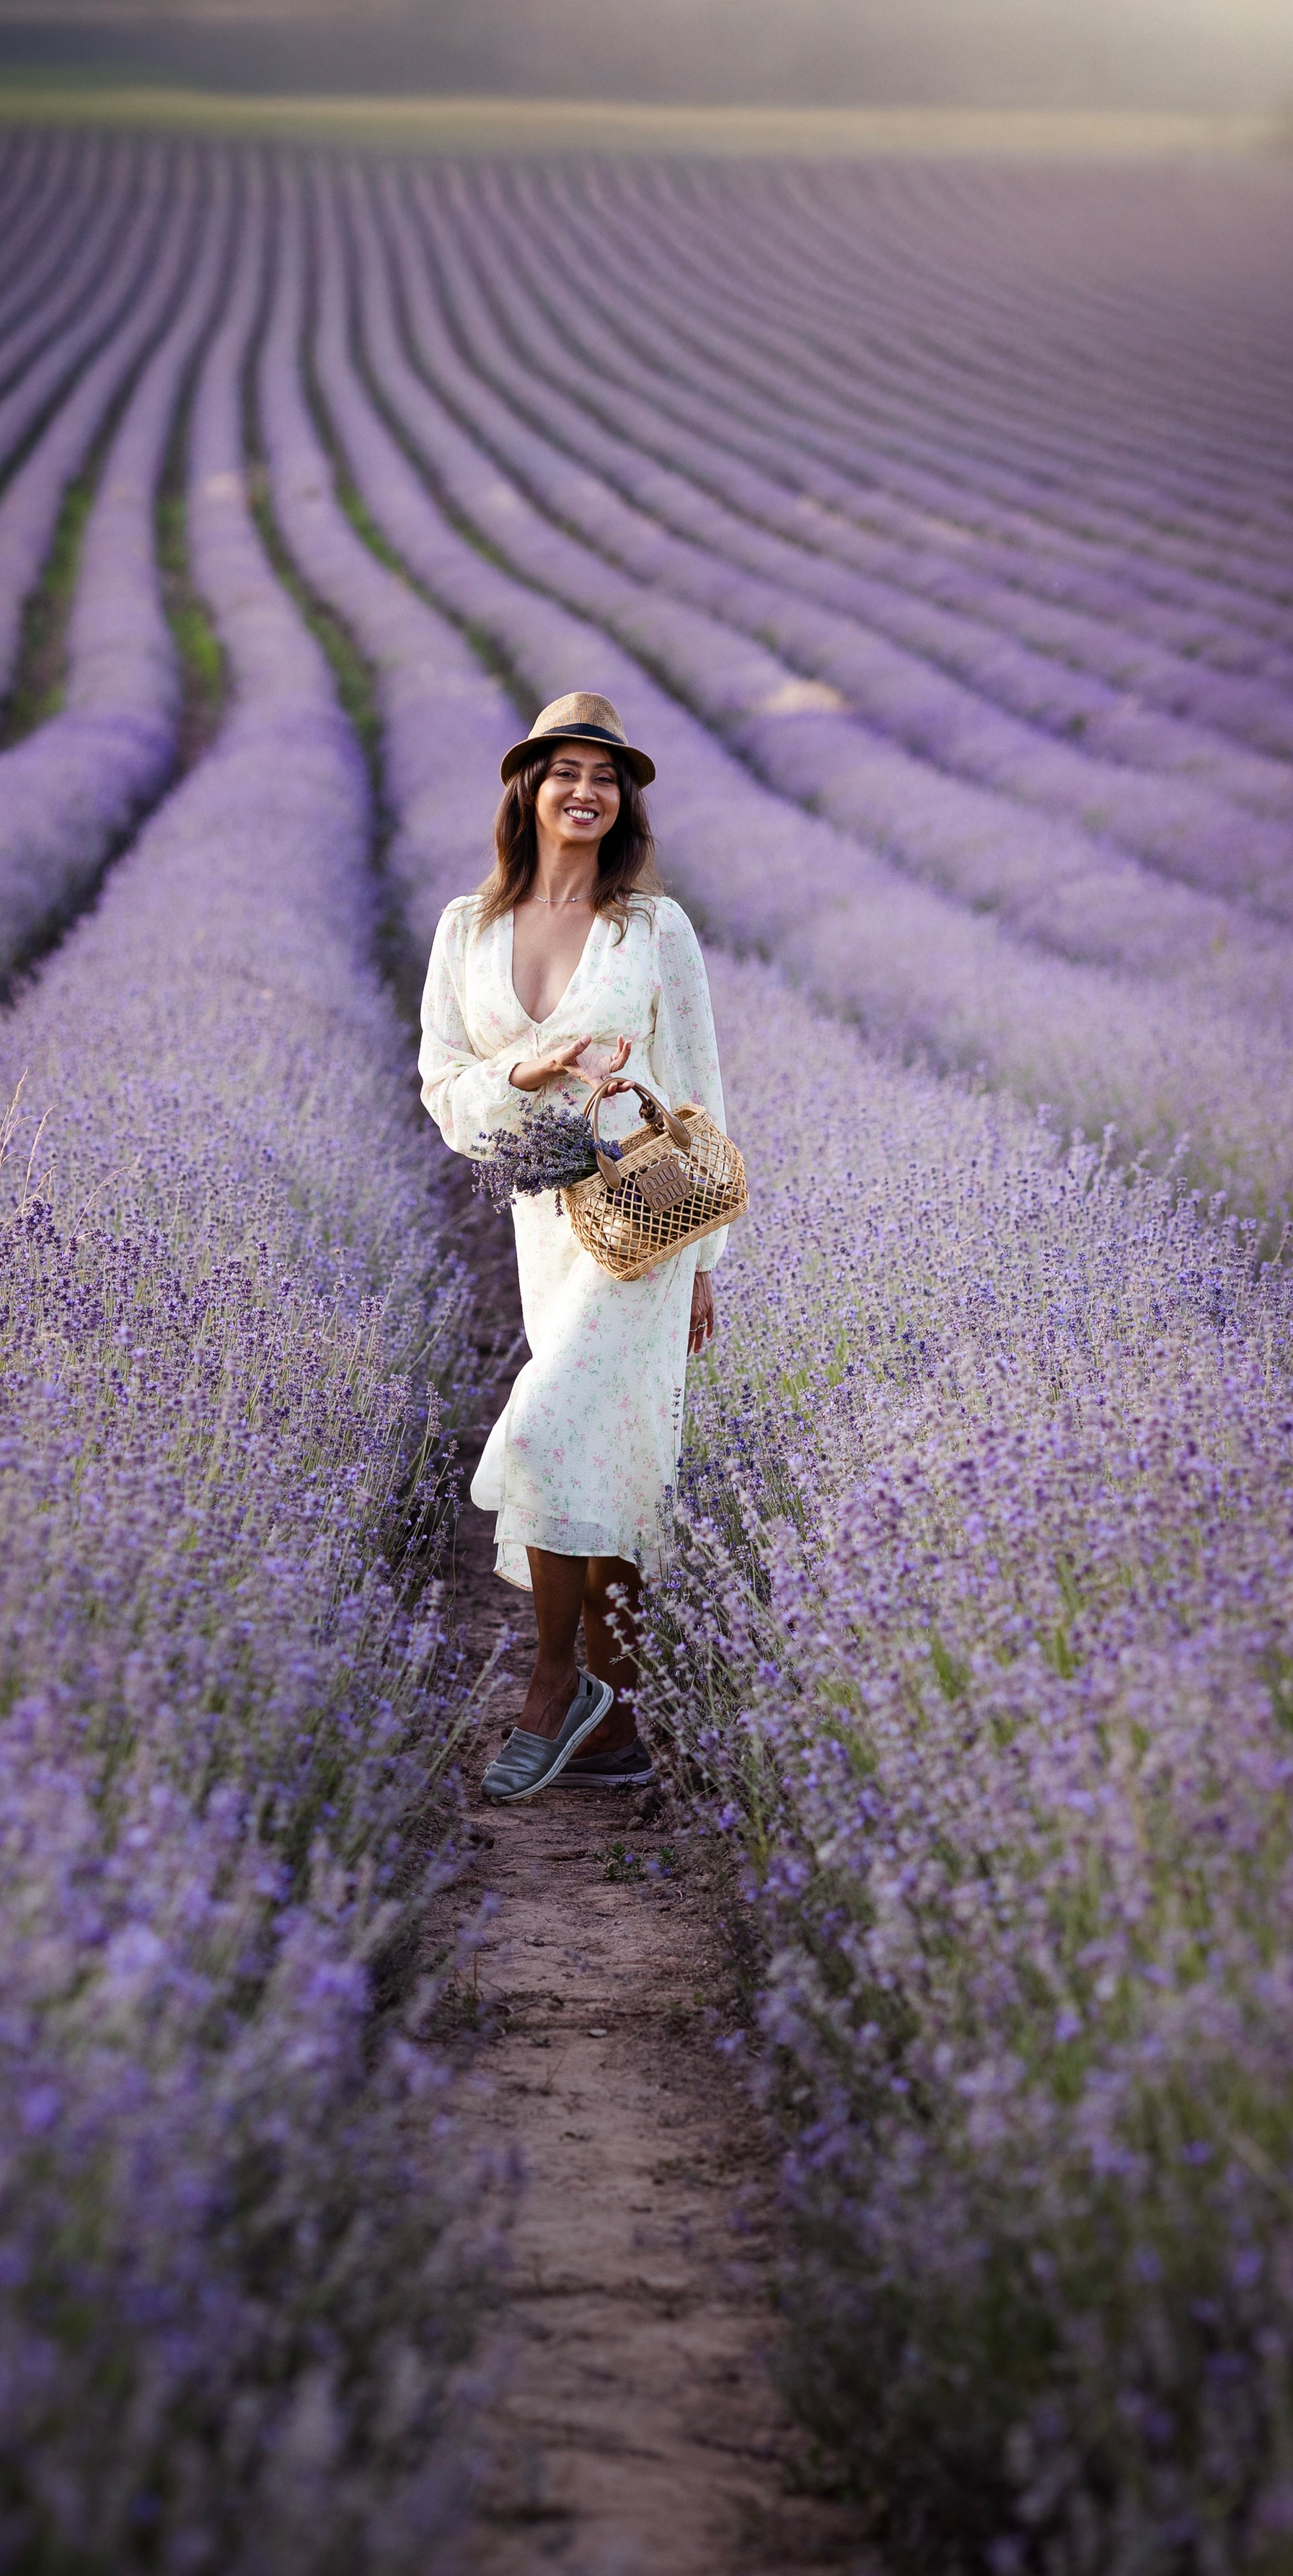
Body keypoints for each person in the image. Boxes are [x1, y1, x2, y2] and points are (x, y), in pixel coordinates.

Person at [418, 692, 728, 1804]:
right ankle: (620, 1725)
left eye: (607, 776)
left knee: (550, 1439)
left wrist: (702, 1264)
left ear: (624, 800)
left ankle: (555, 1686)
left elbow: (696, 1092)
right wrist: (524, 1074)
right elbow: (445, 1091)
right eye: (566, 773)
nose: (586, 791)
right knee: (608, 1465)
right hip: (543, 1227)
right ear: (530, 790)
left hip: (641, 1229)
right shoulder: (468, 928)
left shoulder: (653, 930)